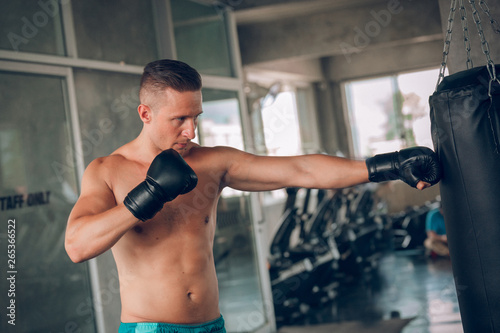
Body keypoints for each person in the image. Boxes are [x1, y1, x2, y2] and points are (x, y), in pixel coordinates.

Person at [64, 59, 441, 333]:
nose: (191, 131)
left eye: (196, 116)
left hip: (213, 325)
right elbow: (77, 246)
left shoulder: (211, 163)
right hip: (150, 329)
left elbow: (300, 170)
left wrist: (386, 166)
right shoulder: (107, 171)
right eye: (179, 119)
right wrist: (148, 194)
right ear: (145, 113)